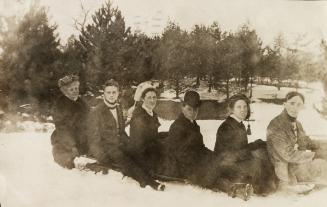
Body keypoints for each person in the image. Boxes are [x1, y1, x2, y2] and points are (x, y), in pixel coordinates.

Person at [161, 91, 254, 201]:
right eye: (189, 109)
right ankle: (235, 189)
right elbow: (177, 153)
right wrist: (201, 162)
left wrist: (211, 156)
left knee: (218, 163)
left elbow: (200, 147)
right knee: (210, 173)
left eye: (196, 109)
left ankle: (242, 183)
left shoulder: (193, 125)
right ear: (183, 107)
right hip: (183, 166)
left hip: (195, 161)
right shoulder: (177, 126)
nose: (193, 113)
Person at [87, 79, 164, 191]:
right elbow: (93, 139)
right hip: (108, 148)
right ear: (104, 93)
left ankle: (151, 174)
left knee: (138, 154)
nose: (111, 95)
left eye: (114, 92)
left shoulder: (118, 108)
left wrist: (130, 144)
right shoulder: (96, 112)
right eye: (108, 92)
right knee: (127, 162)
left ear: (118, 93)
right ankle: (149, 182)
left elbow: (122, 131)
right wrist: (101, 157)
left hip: (122, 142)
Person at [214, 93, 276, 195]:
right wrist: (251, 151)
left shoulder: (238, 124)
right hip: (226, 166)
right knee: (257, 161)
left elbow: (241, 148)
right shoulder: (227, 127)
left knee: (263, 152)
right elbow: (228, 154)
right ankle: (261, 189)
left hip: (236, 160)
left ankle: (270, 184)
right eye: (239, 107)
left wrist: (257, 144)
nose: (243, 109)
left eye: (245, 106)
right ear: (232, 109)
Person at [267, 91, 327, 192]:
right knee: (323, 166)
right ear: (285, 104)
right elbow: (288, 154)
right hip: (286, 169)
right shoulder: (276, 125)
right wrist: (313, 155)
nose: (295, 108)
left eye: (299, 104)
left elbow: (306, 142)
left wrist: (324, 145)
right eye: (292, 103)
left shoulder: (297, 124)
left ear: (302, 107)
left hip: (298, 164)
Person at [126, 85, 166, 190]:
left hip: (150, 149)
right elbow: (139, 143)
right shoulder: (139, 115)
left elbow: (153, 135)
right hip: (141, 153)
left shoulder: (153, 114)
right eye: (149, 97)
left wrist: (169, 134)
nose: (152, 100)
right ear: (143, 99)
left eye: (154, 97)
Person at [50, 75, 89, 169]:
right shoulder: (60, 106)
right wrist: (72, 146)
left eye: (76, 88)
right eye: (71, 89)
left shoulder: (82, 103)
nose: (75, 91)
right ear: (65, 91)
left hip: (82, 140)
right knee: (69, 162)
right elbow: (62, 129)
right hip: (65, 142)